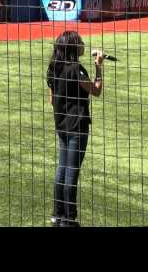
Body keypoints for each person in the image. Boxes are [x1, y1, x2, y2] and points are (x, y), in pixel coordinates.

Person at [46, 31, 104, 227]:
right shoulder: (76, 69)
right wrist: (98, 67)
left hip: (61, 125)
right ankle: (69, 218)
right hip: (77, 126)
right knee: (72, 171)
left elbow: (52, 99)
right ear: (72, 47)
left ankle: (57, 215)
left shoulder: (54, 68)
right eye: (80, 42)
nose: (83, 44)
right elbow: (96, 90)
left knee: (61, 169)